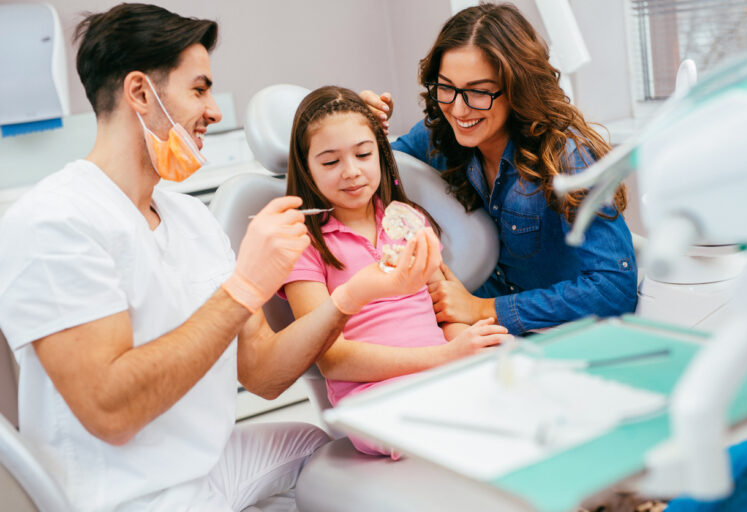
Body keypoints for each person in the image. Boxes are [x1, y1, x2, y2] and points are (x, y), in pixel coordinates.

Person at [0, 5, 440, 511]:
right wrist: (245, 287)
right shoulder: (55, 221)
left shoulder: (190, 218)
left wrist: (347, 300)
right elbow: (111, 411)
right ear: (141, 93)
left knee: (328, 458)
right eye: (199, 89)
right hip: (130, 493)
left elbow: (264, 375)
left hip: (211, 464)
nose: (213, 110)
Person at [361, 3, 638, 336]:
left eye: (478, 92)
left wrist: (484, 308)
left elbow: (614, 288)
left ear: (517, 88)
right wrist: (363, 128)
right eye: (446, 87)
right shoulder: (438, 134)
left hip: (563, 337)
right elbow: (372, 174)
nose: (458, 109)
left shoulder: (569, 156)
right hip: (479, 334)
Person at [281, 86, 509, 457]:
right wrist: (445, 359)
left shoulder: (410, 221)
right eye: (330, 162)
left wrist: (470, 347)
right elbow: (329, 357)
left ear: (382, 154)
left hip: (440, 376)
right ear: (305, 168)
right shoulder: (302, 244)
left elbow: (444, 309)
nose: (351, 172)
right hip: (374, 399)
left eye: (363, 154)